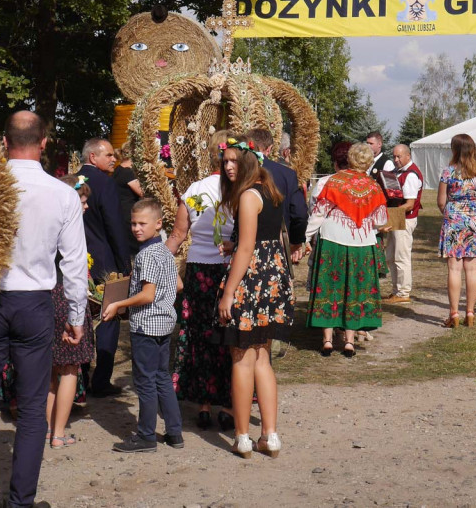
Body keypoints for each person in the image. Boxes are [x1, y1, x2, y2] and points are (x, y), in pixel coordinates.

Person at [0, 111, 88, 508]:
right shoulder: (62, 193)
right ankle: (21, 502)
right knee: (33, 408)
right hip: (35, 300)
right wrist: (77, 316)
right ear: (44, 143)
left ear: (4, 141)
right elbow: (73, 262)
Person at [216, 136, 293, 459]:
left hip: (251, 280)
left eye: (234, 161)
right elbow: (268, 237)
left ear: (249, 161)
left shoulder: (248, 196)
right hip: (273, 278)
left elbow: (247, 247)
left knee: (241, 358)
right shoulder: (271, 190)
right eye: (225, 161)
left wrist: (229, 292)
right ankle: (271, 436)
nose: (228, 166)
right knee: (262, 356)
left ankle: (243, 436)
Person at [165, 130, 235, 432]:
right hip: (231, 268)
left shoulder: (197, 188)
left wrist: (155, 259)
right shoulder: (242, 188)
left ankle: (204, 404)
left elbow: (179, 234)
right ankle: (230, 405)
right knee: (231, 336)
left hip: (198, 270)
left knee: (200, 334)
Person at [103, 198, 183, 452]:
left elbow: (147, 295)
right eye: (133, 224)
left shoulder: (146, 255)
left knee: (146, 381)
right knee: (162, 377)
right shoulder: (165, 252)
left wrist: (119, 304)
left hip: (146, 325)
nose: (137, 228)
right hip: (164, 323)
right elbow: (179, 285)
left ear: (158, 224)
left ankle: (147, 436)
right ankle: (175, 432)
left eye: (142, 223)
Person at [305, 143, 387, 356]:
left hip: (332, 240)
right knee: (355, 290)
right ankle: (349, 342)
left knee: (330, 286)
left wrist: (305, 237)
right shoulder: (373, 186)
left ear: (349, 159)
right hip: (362, 243)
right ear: (369, 162)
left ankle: (328, 340)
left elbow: (319, 213)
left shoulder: (334, 182)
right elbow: (380, 220)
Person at [45, 176, 96, 449]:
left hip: (45, 295)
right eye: (83, 201)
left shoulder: (46, 224)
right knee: (69, 368)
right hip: (66, 296)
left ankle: (46, 428)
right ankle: (59, 433)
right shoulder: (70, 228)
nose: (85, 207)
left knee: (50, 369)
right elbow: (74, 267)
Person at [79, 138, 132, 398]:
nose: (114, 159)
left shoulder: (67, 182)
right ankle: (100, 380)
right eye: (109, 155)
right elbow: (115, 226)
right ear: (93, 157)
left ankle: (77, 375)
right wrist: (125, 264)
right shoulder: (104, 183)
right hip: (103, 261)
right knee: (109, 317)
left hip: (74, 260)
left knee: (77, 316)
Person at [437, 133, 476, 329]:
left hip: (454, 220)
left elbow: (441, 201)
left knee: (454, 268)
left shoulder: (448, 172)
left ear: (455, 150)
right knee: (472, 268)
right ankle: (470, 312)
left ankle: (454, 314)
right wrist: (472, 212)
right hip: (475, 220)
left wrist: (452, 213)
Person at [245, 128, 307, 257]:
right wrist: (295, 241)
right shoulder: (287, 175)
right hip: (276, 245)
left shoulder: (239, 171)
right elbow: (299, 213)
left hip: (243, 241)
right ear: (269, 148)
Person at [385, 144, 423, 304]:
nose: (396, 160)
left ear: (408, 156)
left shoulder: (411, 175)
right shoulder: (397, 173)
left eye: (399, 156)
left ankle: (403, 292)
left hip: (405, 218)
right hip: (397, 215)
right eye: (394, 156)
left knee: (401, 256)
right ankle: (396, 290)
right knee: (391, 256)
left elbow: (409, 204)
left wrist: (389, 215)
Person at [112, 145, 143, 257]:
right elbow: (141, 192)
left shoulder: (118, 169)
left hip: (120, 211)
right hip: (128, 213)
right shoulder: (128, 173)